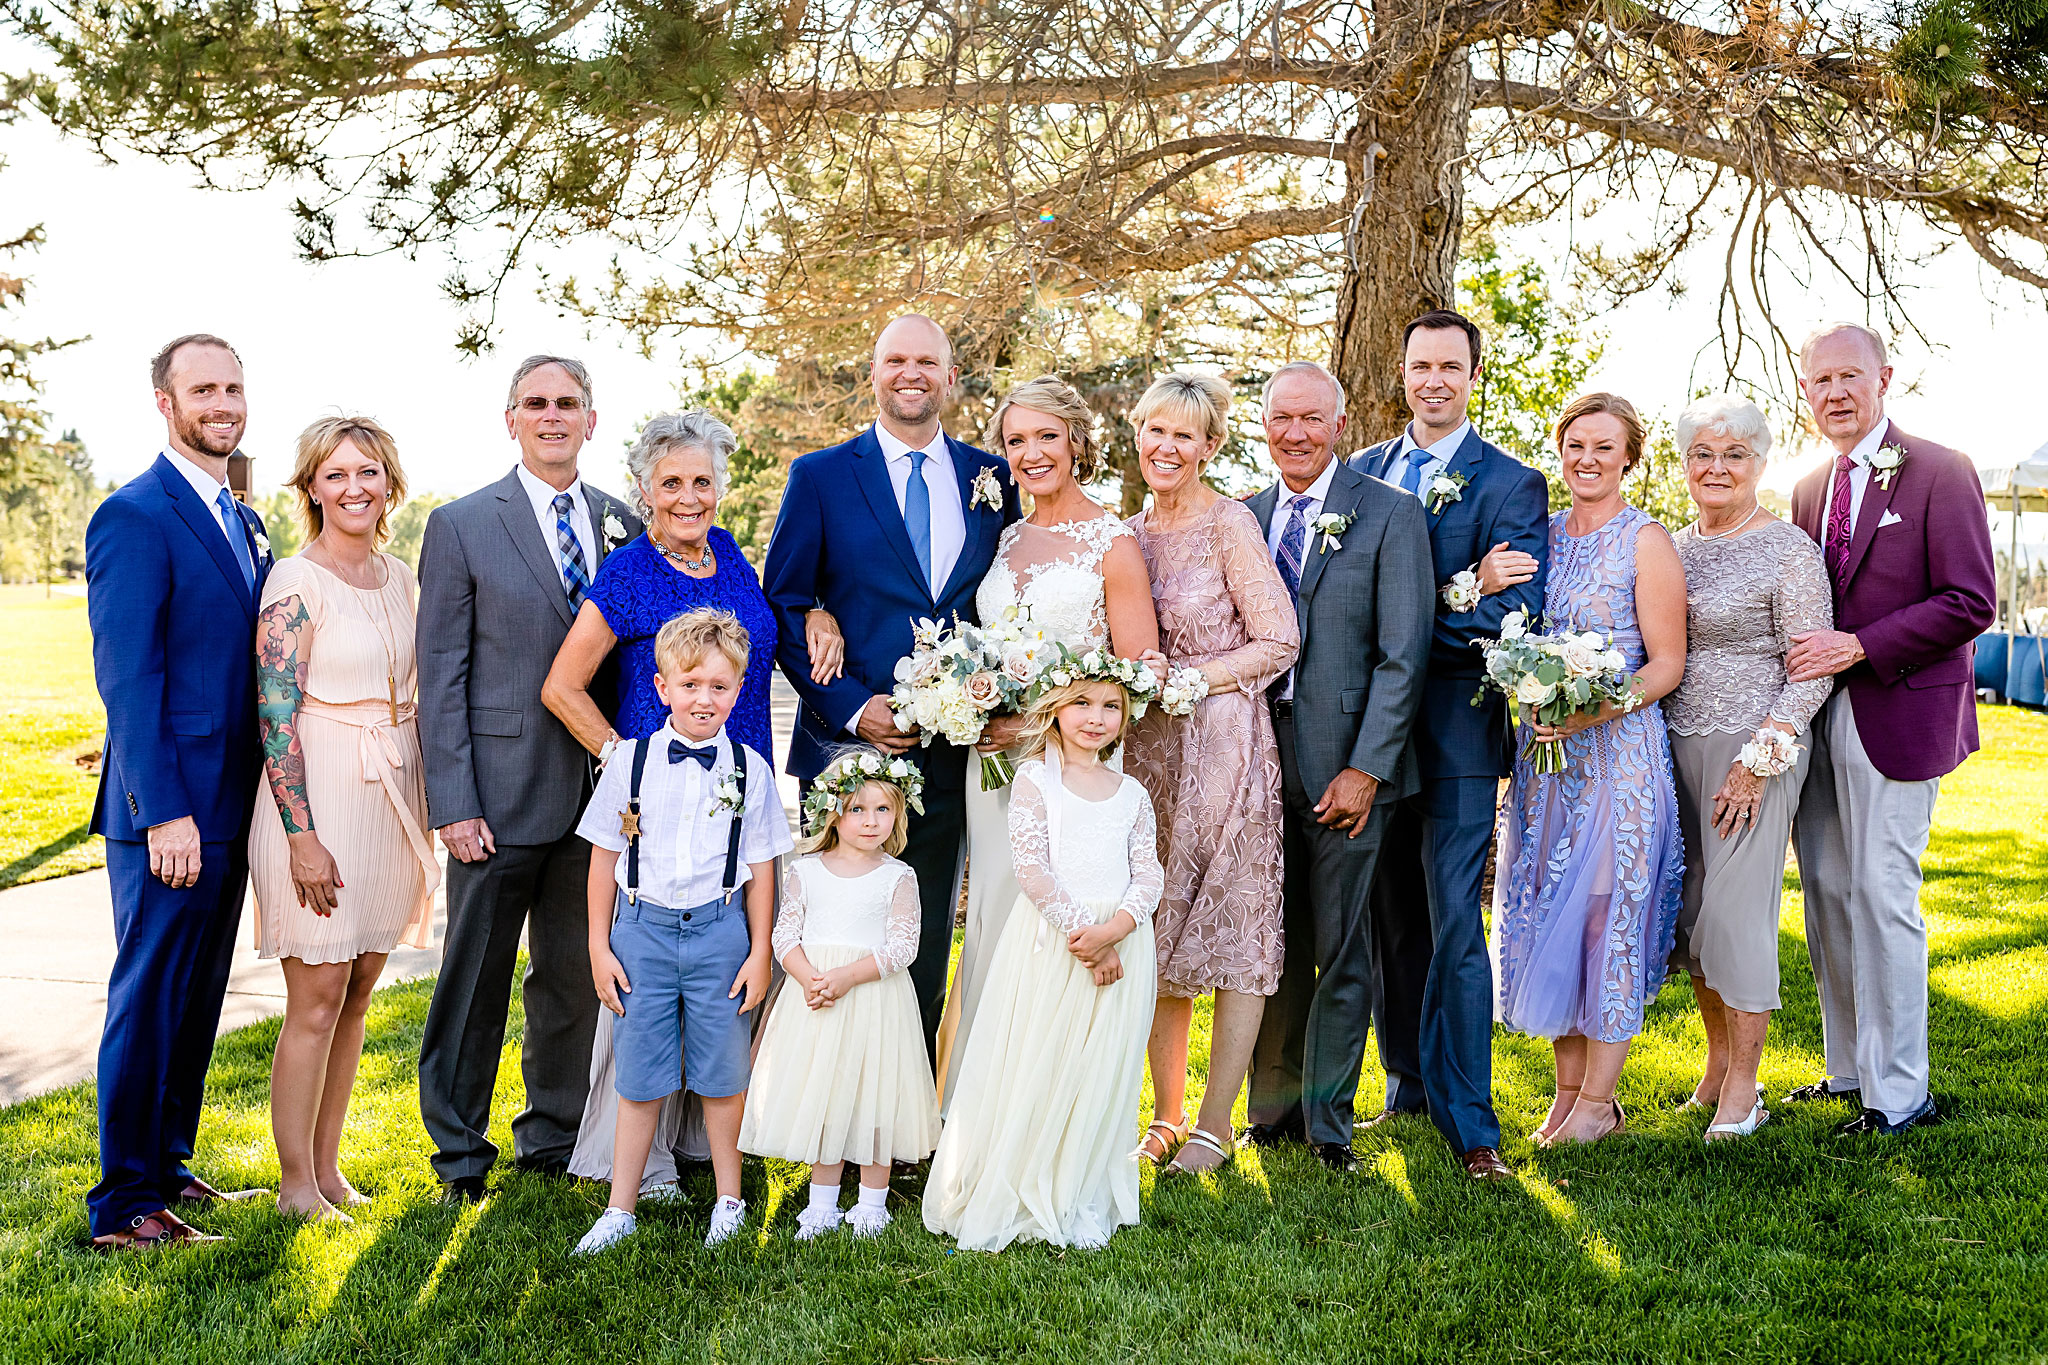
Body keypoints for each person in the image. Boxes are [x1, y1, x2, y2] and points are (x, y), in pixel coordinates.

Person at [761, 315, 1021, 1064]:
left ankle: (903, 1128)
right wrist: (849, 705)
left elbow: (1005, 598)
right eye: (896, 360)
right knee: (831, 932)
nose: (912, 373)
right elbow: (783, 602)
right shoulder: (820, 476)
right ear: (872, 374)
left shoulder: (993, 478)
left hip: (950, 752)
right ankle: (820, 1118)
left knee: (926, 931)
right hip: (847, 750)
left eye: (927, 361)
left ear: (950, 376)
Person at [415, 354, 643, 1201]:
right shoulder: (464, 523)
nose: (554, 416)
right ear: (510, 417)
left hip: (595, 807)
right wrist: (455, 803)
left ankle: (549, 1136)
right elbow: (438, 673)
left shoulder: (623, 522)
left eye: (569, 403)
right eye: (537, 403)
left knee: (574, 978)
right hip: (496, 798)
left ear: (592, 418)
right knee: (472, 981)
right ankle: (459, 1153)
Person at [542, 411, 777, 1194]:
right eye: (671, 482)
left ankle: (704, 1145)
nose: (688, 496)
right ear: (645, 491)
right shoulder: (629, 572)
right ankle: (637, 1163)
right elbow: (563, 686)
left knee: (721, 967)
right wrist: (630, 768)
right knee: (649, 983)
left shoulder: (734, 558)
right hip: (662, 810)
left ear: (720, 487)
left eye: (701, 481)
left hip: (740, 797)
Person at [84, 334, 275, 1249]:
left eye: (233, 386)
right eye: (204, 388)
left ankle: (166, 1165)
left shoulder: (240, 514)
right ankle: (122, 1203)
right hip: (167, 812)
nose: (223, 402)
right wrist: (165, 810)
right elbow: (127, 679)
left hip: (232, 805)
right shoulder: (135, 515)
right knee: (151, 992)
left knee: (196, 995)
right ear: (165, 401)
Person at [1351, 310, 1550, 1183]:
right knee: (1391, 917)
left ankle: (1473, 1120)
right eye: (1420, 364)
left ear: (1474, 374)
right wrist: (1458, 587)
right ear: (1401, 373)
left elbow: (1508, 619)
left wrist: (1439, 609)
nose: (1435, 379)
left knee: (1454, 926)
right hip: (1373, 735)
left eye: (1451, 366)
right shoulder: (1360, 473)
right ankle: (1407, 1084)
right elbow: (1344, 602)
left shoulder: (1512, 483)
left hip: (1460, 728)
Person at [1784, 324, 1997, 1136]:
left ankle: (1901, 1093)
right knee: (1829, 893)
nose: (1834, 392)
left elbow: (1970, 600)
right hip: (1820, 714)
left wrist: (1863, 644)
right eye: (1819, 380)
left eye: (1849, 376)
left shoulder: (1943, 469)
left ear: (1885, 378)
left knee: (1882, 892)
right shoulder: (1808, 487)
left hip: (1900, 708)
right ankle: (1849, 1070)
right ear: (1805, 390)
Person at [938, 374, 1162, 1097]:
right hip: (994, 765)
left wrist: (1037, 721)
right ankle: (974, 1104)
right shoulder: (1001, 541)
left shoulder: (1112, 541)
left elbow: (1130, 680)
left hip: (1074, 772)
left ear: (1076, 440)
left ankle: (1049, 1104)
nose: (1031, 452)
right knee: (995, 923)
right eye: (1015, 440)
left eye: (1045, 436)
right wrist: (966, 701)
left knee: (1055, 919)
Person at [1243, 361, 1434, 1174]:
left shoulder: (1389, 515)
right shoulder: (1243, 517)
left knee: (1345, 946)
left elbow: (1404, 657)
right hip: (1254, 763)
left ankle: (1328, 1123)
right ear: (1264, 425)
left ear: (1339, 424)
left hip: (1348, 767)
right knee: (1274, 942)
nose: (1295, 433)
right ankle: (1272, 1111)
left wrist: (1367, 770)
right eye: (1281, 418)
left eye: (1311, 419)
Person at [250, 415, 437, 1219]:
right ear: (312, 488)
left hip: (390, 790)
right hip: (317, 791)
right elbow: (274, 713)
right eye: (336, 474)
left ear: (390, 483)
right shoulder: (296, 580)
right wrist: (302, 837)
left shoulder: (401, 575)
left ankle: (328, 1170)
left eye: (368, 472)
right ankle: (294, 1184)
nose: (354, 487)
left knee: (360, 986)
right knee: (317, 992)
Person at [1491, 393, 1687, 1146]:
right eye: (1575, 444)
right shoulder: (1540, 538)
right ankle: (1567, 1092)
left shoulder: (1647, 541)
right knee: (1549, 914)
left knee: (1607, 915)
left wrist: (1593, 710)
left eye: (1604, 446)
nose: (1587, 458)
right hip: (1547, 763)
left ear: (1629, 457)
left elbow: (1666, 664)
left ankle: (1602, 1101)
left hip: (1619, 759)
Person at [570, 609, 793, 1254]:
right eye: (690, 685)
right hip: (640, 933)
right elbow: (604, 858)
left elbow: (760, 868)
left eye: (720, 688)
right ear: (663, 687)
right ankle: (621, 1206)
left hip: (721, 934)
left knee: (724, 1074)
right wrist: (597, 944)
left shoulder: (749, 769)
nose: (705, 699)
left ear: (740, 690)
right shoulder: (629, 763)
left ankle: (729, 1199)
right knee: (639, 1075)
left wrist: (759, 953)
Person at [1122, 372, 1300, 1173]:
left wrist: (1199, 677)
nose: (1167, 447)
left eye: (1184, 435)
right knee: (1159, 931)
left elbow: (1279, 639)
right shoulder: (1125, 533)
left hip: (1226, 748)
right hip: (1148, 751)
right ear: (1138, 436)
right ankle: (1163, 1115)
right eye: (1155, 430)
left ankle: (1215, 1124)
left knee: (1230, 930)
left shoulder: (1230, 524)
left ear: (1210, 446)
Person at [923, 665, 1164, 1251]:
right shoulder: (1034, 780)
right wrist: (1085, 936)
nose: (1096, 718)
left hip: (1120, 945)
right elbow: (1032, 869)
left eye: (1111, 707)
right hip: (1054, 945)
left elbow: (1149, 872)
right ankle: (1026, 1179)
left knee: (1100, 1064)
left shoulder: (1131, 793)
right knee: (1041, 1056)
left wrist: (1117, 928)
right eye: (1082, 703)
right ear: (1055, 707)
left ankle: (1080, 1188)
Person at [1665, 395, 1834, 1141]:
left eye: (1734, 455)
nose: (1718, 467)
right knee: (1694, 913)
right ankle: (1715, 1064)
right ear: (1685, 464)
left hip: (1753, 748)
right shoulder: (1670, 547)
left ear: (1761, 463)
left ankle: (1745, 1084)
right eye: (1704, 453)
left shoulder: (1789, 549)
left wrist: (1759, 761)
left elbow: (1812, 670)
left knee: (1737, 918)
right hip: (1673, 744)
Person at [740, 749, 941, 1239]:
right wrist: (809, 976)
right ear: (833, 811)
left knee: (876, 1098)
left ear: (899, 812)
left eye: (882, 810)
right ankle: (822, 1204)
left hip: (873, 999)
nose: (871, 822)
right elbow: (784, 935)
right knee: (825, 1096)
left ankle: (872, 1204)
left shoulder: (898, 876)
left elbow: (903, 946)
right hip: (817, 1001)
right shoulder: (806, 871)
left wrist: (847, 977)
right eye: (857, 809)